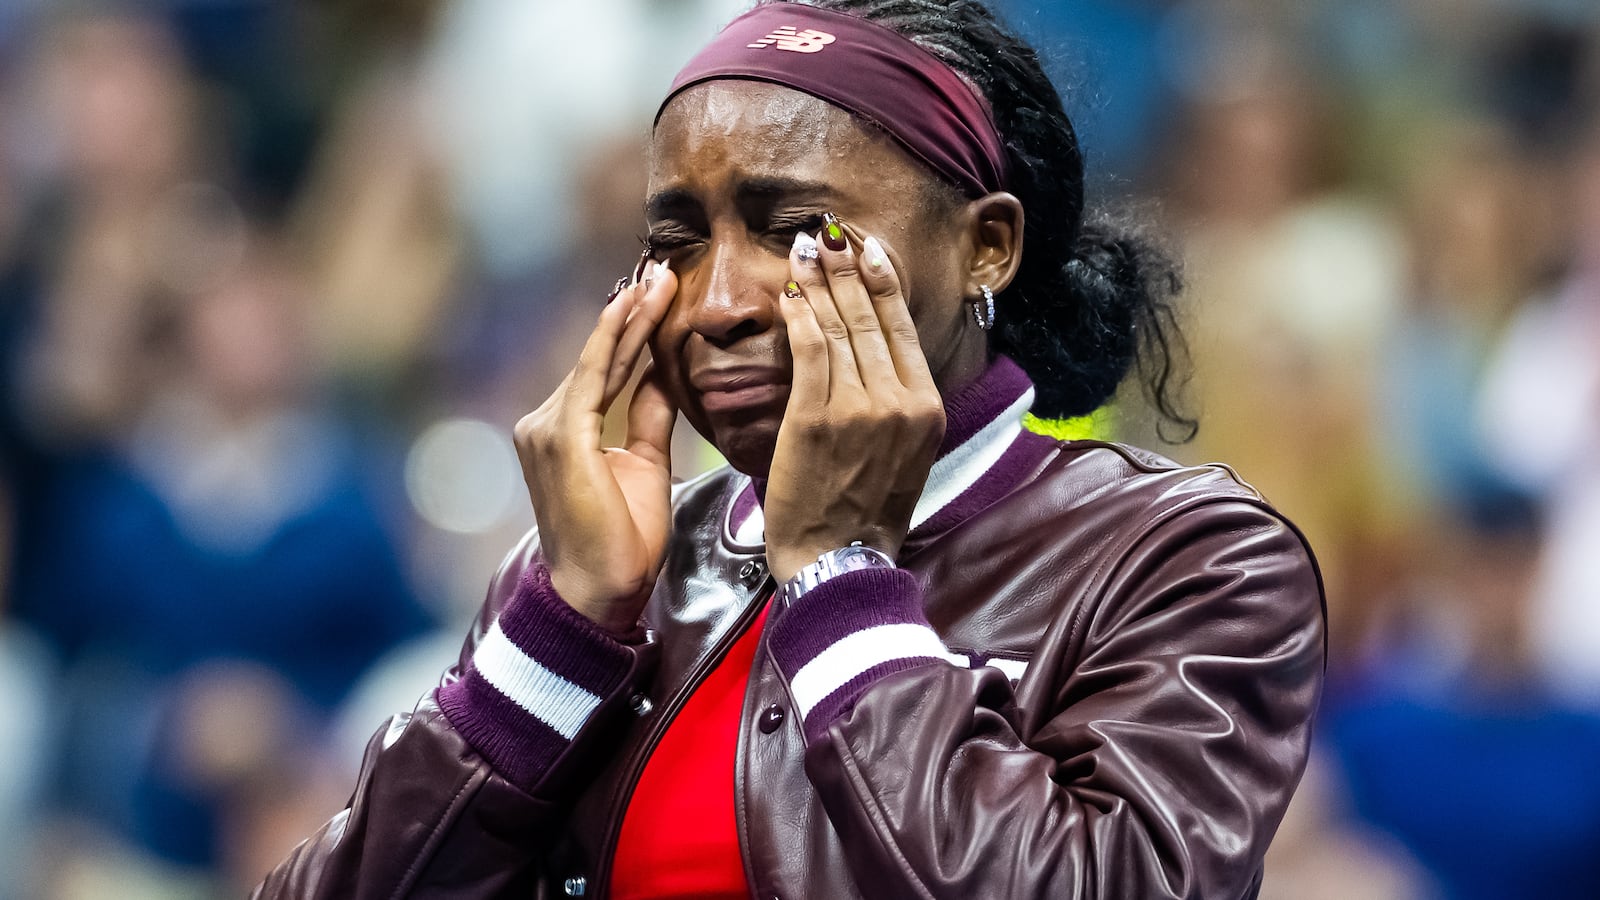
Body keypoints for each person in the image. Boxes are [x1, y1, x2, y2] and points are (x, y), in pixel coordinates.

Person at [257, 1, 1325, 897]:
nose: (717, 302)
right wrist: (557, 638)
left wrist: (842, 581)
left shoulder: (1189, 559)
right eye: (677, 239)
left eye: (797, 229)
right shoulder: (603, 579)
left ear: (984, 246)